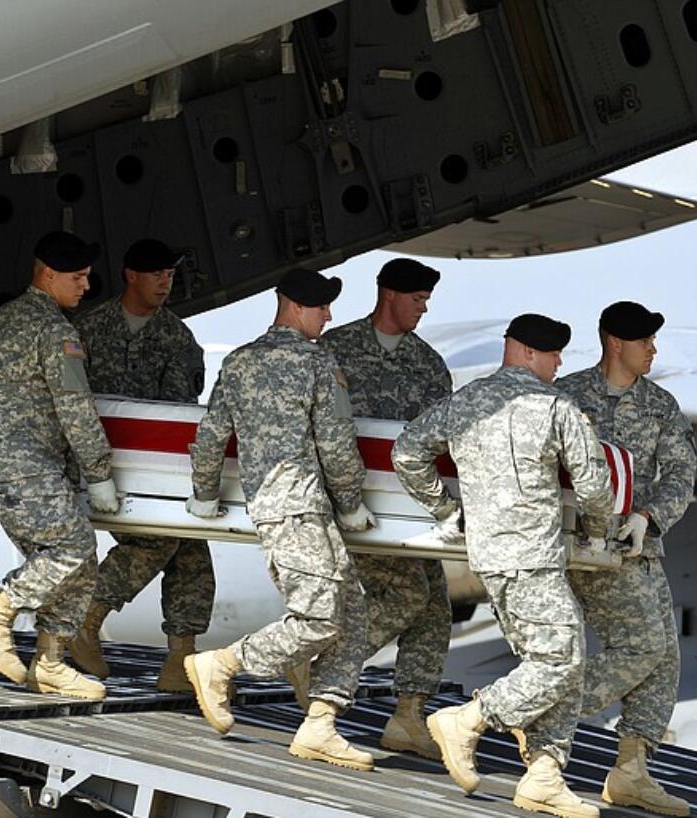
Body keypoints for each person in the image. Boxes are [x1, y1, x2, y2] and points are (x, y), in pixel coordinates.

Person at [392, 314, 613, 818]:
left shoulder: (465, 401)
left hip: (489, 557)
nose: (560, 363)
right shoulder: (554, 407)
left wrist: (447, 510)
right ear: (530, 353)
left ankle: (544, 775)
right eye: (554, 354)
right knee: (562, 659)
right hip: (532, 555)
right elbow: (595, 485)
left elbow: (407, 453)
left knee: (552, 660)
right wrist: (598, 534)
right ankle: (469, 719)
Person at [180, 268, 376, 771]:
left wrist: (204, 496)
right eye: (322, 307)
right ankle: (222, 665)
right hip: (300, 507)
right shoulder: (316, 364)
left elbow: (210, 437)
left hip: (282, 507)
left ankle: (321, 725)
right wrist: (353, 501)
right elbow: (335, 442)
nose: (329, 316)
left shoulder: (240, 363)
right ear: (295, 307)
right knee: (318, 618)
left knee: (352, 613)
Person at [0, 230, 120, 701]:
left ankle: (50, 662)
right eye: (78, 277)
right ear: (49, 275)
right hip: (25, 460)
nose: (86, 287)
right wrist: (99, 472)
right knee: (70, 548)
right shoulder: (55, 331)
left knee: (78, 560)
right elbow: (75, 408)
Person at [555, 301, 696, 817]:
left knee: (665, 656)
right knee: (642, 647)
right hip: (581, 549)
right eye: (645, 342)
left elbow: (681, 473)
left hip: (637, 547)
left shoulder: (660, 406)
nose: (653, 350)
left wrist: (650, 518)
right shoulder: (565, 397)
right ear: (616, 343)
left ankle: (632, 769)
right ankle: (544, 714)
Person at [319, 257, 452, 760]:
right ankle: (322, 665)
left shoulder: (428, 364)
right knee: (408, 596)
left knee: (434, 606)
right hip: (354, 505)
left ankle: (408, 715)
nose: (424, 308)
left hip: (409, 508)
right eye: (417, 299)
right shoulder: (335, 351)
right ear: (388, 294)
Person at [68, 238, 212, 693]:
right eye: (156, 275)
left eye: (170, 275)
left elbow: (179, 410)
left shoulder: (177, 338)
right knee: (157, 542)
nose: (165, 284)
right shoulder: (86, 331)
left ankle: (180, 659)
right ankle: (86, 617)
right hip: (95, 466)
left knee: (189, 549)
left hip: (152, 469)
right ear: (131, 275)